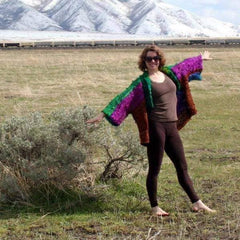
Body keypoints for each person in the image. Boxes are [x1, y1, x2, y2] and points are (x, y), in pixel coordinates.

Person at [87, 45, 216, 216]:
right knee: (155, 168)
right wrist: (103, 114)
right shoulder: (142, 83)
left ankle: (197, 202)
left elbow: (184, 66)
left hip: (172, 127)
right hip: (156, 128)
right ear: (144, 62)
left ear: (160, 59)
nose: (153, 61)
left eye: (156, 58)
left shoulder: (169, 73)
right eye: (149, 59)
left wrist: (201, 58)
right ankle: (155, 207)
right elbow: (123, 99)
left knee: (182, 166)